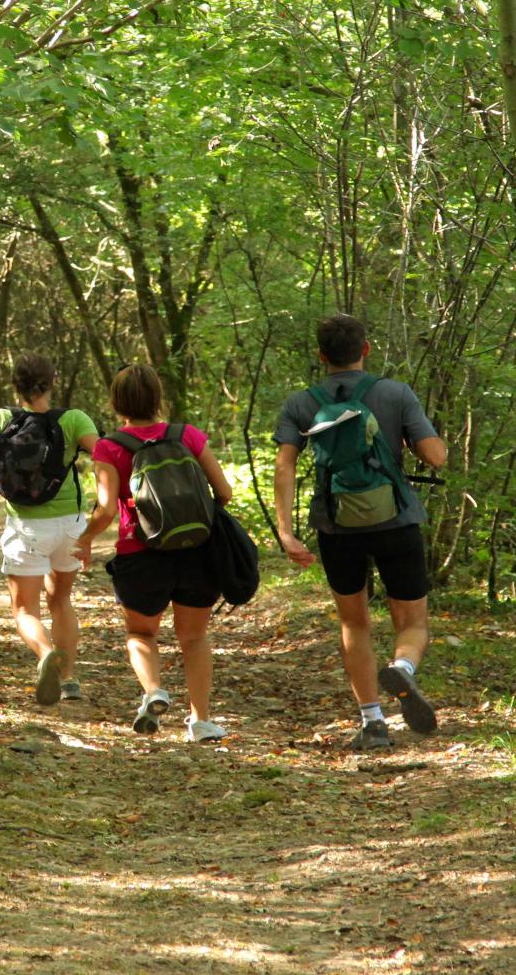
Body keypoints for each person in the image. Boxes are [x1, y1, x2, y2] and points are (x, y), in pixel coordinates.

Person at [273, 314, 448, 751]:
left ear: (321, 356)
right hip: (397, 521)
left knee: (354, 622)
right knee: (412, 621)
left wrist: (286, 532)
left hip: (337, 527)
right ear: (365, 349)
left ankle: (372, 722)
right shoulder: (395, 393)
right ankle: (403, 669)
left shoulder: (301, 403)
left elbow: (285, 466)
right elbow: (435, 457)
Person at [75, 363, 233, 742]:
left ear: (117, 403)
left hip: (140, 552)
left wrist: (84, 538)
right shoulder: (187, 435)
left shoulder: (109, 447)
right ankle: (201, 721)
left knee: (140, 633)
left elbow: (106, 510)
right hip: (196, 550)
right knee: (194, 637)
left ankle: (154, 691)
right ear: (158, 398)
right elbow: (225, 493)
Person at [0, 354, 95, 704]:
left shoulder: (0, 419)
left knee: (25, 610)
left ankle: (46, 653)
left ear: (14, 384)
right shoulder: (74, 419)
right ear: (53, 381)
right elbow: (105, 454)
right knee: (61, 600)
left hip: (25, 527)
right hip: (70, 526)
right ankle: (68, 679)